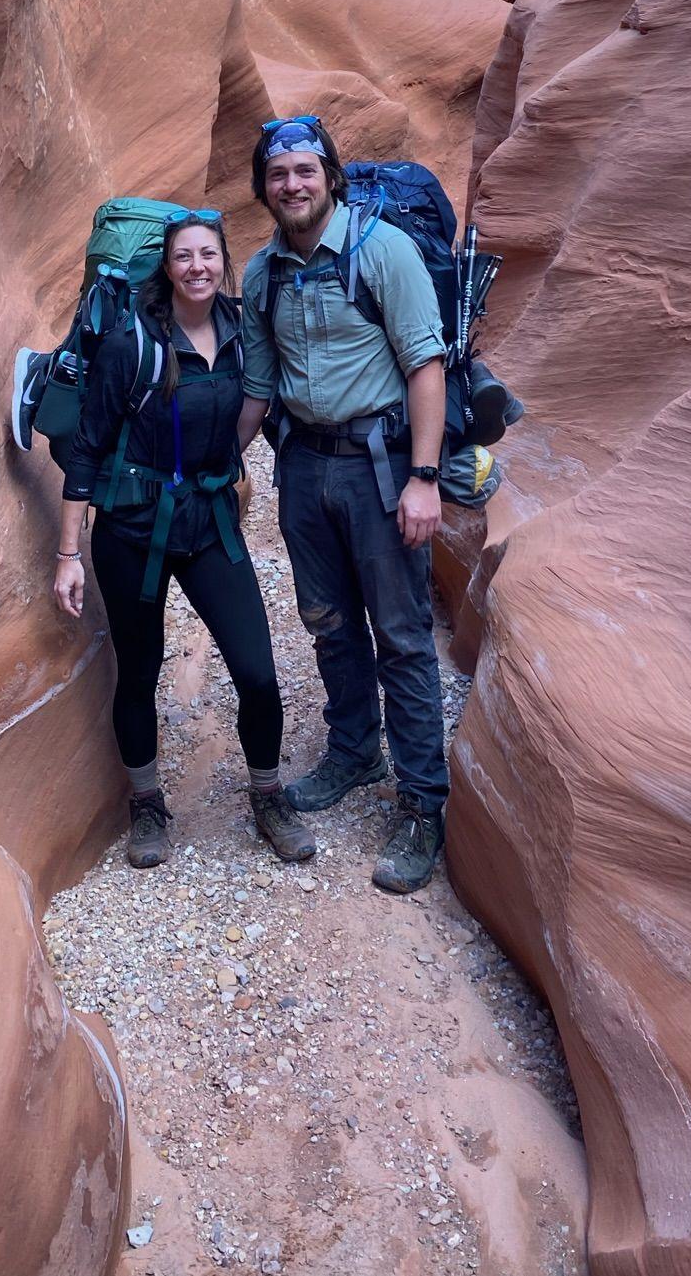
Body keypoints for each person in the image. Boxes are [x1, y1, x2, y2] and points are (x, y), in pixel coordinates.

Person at [54, 209, 316, 871]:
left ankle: (266, 794)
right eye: (183, 257)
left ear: (223, 261)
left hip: (207, 525)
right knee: (139, 671)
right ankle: (146, 802)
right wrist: (65, 553)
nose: (197, 266)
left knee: (256, 669)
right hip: (131, 529)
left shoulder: (240, 329)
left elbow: (261, 399)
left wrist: (226, 470)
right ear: (165, 267)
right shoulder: (130, 342)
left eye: (208, 255)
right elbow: (85, 449)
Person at [235, 116, 451, 895]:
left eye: (303, 169)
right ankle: (354, 751)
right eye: (277, 173)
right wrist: (217, 463)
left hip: (380, 466)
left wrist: (423, 477)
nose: (291, 184)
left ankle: (424, 804)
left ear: (330, 175)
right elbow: (258, 388)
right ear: (263, 187)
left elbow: (426, 365)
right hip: (303, 468)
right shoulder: (261, 275)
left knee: (400, 635)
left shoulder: (380, 249)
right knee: (327, 623)